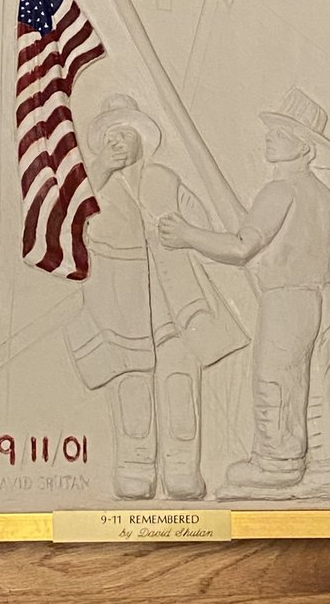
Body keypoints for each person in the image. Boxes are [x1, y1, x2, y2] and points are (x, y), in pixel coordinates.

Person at [159, 87, 330, 503]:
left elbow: (241, 247)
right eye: (272, 131)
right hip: (325, 299)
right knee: (323, 384)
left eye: (281, 133)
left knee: (277, 379)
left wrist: (187, 235)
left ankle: (277, 466)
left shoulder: (280, 191)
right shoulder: (325, 196)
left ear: (304, 146)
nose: (269, 137)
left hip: (288, 301)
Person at [64, 94, 248, 500]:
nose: (117, 142)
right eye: (110, 136)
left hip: (173, 302)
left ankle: (182, 467)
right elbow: (65, 226)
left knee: (179, 380)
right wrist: (98, 170)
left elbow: (201, 227)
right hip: (118, 303)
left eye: (125, 134)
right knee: (131, 384)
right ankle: (135, 466)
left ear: (141, 140)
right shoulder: (89, 186)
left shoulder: (165, 180)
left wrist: (192, 236)